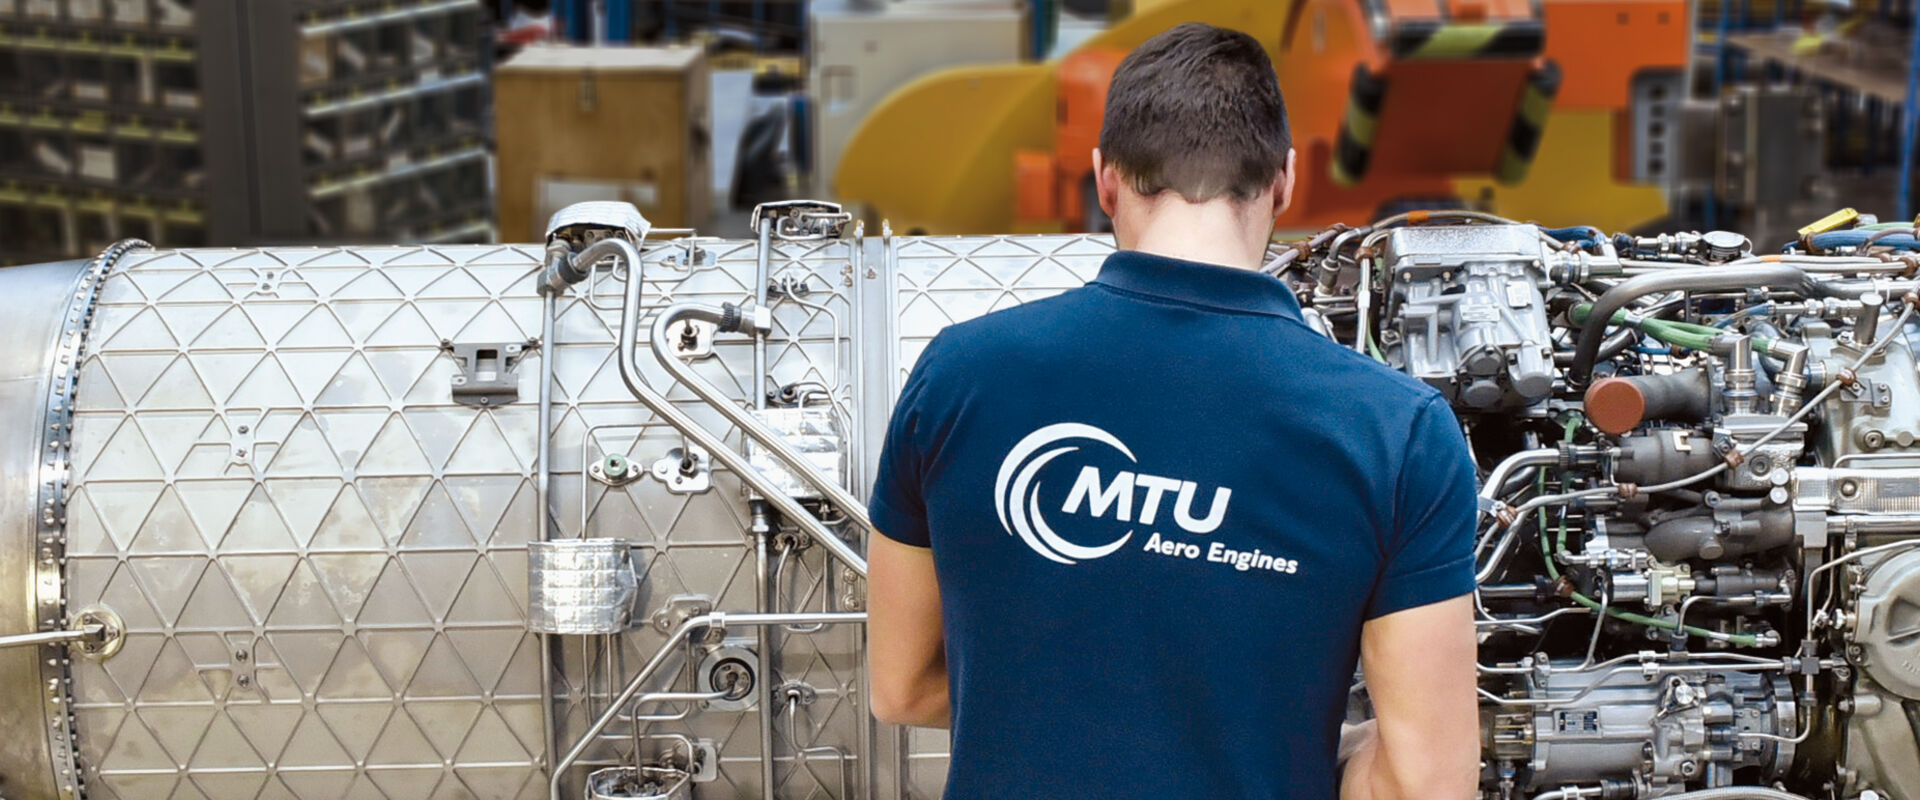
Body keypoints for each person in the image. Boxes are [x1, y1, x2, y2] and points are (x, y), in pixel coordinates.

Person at [865, 22, 1479, 800]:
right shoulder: (1396, 432)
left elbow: (901, 688)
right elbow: (1423, 785)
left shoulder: (959, 375)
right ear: (1285, 181)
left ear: (1105, 179)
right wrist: (1306, 736)